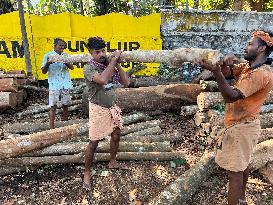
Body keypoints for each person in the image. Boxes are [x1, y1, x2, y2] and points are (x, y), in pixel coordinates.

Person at [197, 30, 273, 205]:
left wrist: (216, 73)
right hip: (242, 125)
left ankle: (237, 200)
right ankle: (241, 200)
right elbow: (229, 72)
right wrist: (223, 65)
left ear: (261, 49)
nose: (245, 47)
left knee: (235, 174)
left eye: (250, 44)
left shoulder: (261, 74)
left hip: (243, 128)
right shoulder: (249, 67)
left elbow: (230, 96)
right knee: (242, 167)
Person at [83, 37, 129, 190]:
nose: (102, 54)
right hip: (98, 108)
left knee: (116, 135)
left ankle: (113, 162)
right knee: (94, 142)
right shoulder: (89, 68)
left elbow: (126, 83)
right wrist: (113, 61)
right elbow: (103, 80)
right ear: (91, 53)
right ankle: (87, 172)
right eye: (98, 52)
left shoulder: (108, 64)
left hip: (112, 107)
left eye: (103, 50)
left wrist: (118, 64)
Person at [42, 38, 74, 129]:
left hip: (65, 83)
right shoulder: (48, 55)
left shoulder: (65, 55)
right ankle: (51, 128)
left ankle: (65, 125)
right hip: (54, 84)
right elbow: (43, 71)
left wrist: (65, 61)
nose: (62, 47)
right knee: (53, 105)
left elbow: (72, 68)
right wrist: (48, 63)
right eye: (60, 45)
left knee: (66, 104)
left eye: (63, 46)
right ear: (55, 45)